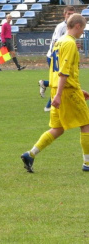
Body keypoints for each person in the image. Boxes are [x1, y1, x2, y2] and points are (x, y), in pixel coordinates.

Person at [21, 13, 89, 173]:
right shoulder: (70, 43)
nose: (82, 33)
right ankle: (87, 163)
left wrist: (72, 90)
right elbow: (64, 71)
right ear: (77, 26)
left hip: (56, 89)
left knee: (58, 128)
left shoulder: (59, 42)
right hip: (65, 91)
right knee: (86, 124)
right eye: (83, 29)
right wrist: (61, 94)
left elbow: (57, 69)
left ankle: (30, 154)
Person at [38, 6, 75, 112]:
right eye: (69, 13)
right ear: (64, 14)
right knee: (60, 81)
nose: (71, 16)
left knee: (62, 80)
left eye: (72, 14)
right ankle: (49, 105)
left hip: (62, 58)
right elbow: (56, 43)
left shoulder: (72, 28)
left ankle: (44, 84)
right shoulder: (61, 27)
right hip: (54, 57)